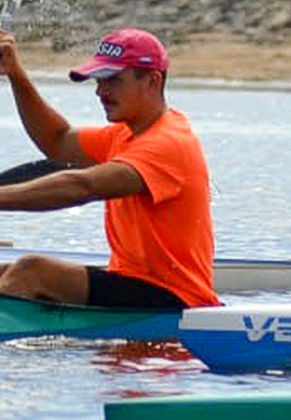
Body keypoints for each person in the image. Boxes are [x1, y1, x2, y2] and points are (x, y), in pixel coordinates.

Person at [0, 27, 218, 308]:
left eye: (112, 80)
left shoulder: (169, 143)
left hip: (175, 298)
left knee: (32, 272)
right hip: (130, 281)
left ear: (153, 81)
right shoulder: (124, 135)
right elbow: (57, 140)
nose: (100, 91)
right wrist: (15, 74)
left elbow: (82, 186)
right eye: (99, 80)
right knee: (7, 271)